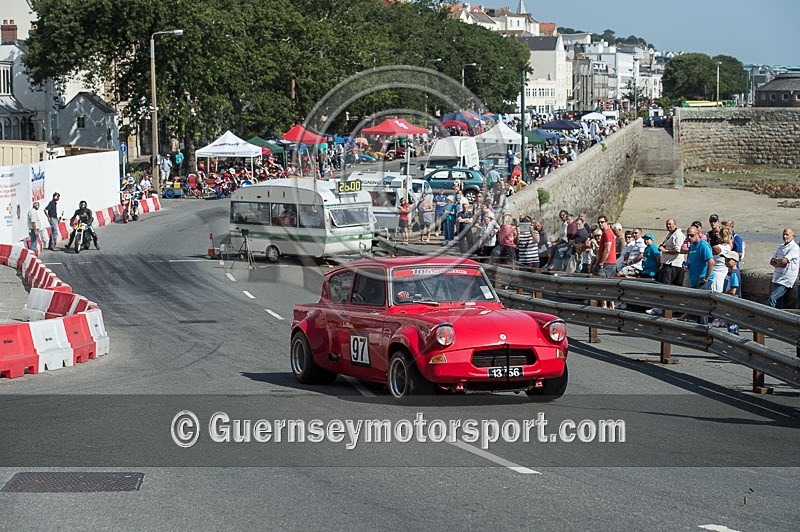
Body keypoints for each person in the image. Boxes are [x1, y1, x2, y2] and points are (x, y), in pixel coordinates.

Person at [685, 226, 714, 324]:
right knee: (697, 309)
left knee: (702, 308)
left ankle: (704, 328)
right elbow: (690, 261)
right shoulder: (691, 247)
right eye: (688, 235)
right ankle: (699, 328)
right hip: (694, 279)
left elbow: (711, 262)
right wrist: (686, 265)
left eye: (692, 235)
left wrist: (706, 278)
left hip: (702, 281)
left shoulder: (703, 246)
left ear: (698, 234)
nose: (689, 237)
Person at [767, 227, 800, 309]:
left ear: (792, 235)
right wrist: (779, 262)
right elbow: (772, 261)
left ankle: (772, 315)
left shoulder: (794, 248)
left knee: (772, 299)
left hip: (785, 279)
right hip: (776, 278)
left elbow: (784, 261)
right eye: (784, 234)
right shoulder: (781, 247)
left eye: (787, 235)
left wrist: (778, 262)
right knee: (777, 301)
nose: (785, 236)